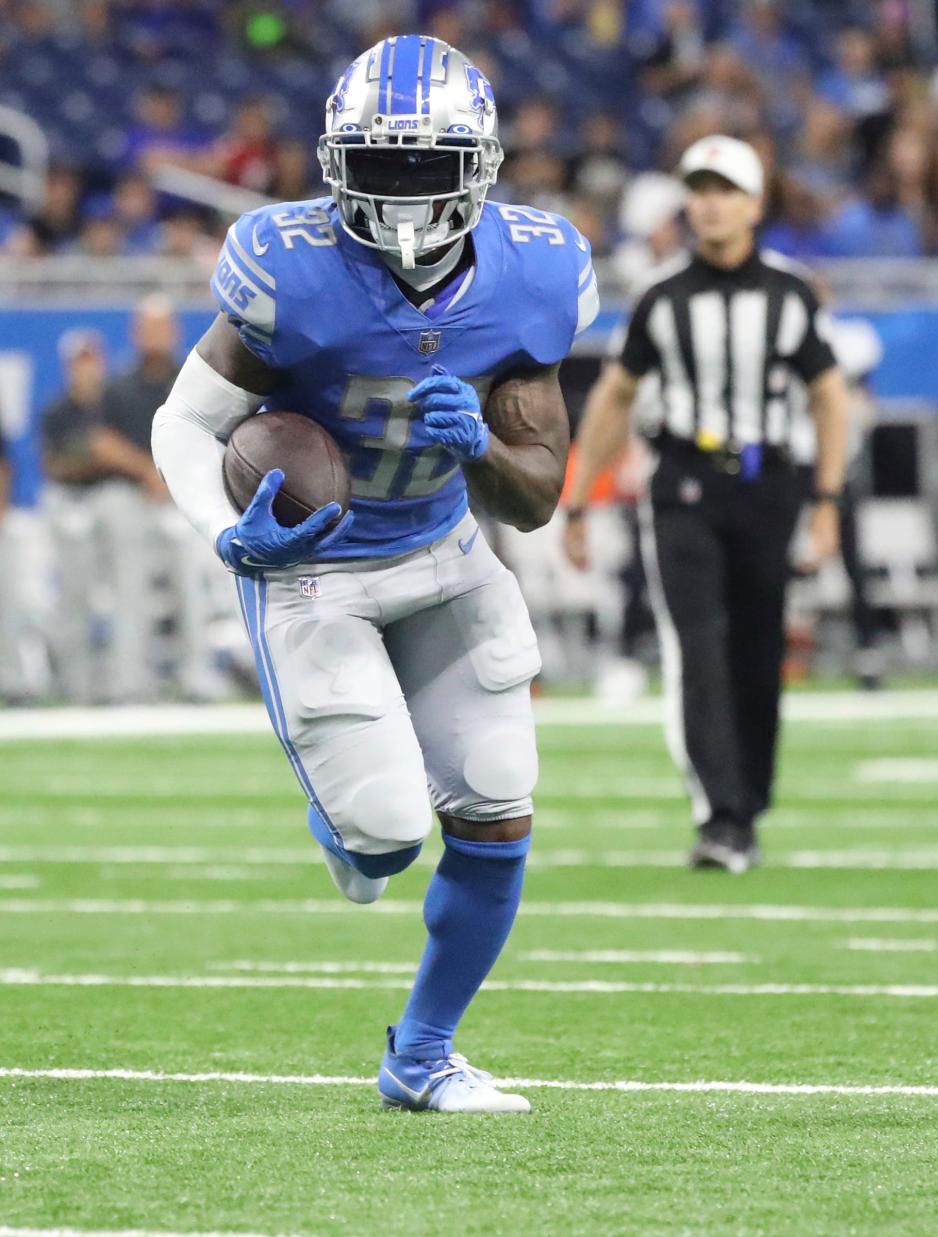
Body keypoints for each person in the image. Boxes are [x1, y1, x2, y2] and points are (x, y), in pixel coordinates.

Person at [152, 35, 598, 1112]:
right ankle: (344, 824)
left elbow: (534, 499)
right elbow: (185, 423)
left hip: (447, 552)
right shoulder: (286, 266)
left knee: (497, 810)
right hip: (317, 573)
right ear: (336, 161)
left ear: (480, 167)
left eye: (425, 167)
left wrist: (481, 449)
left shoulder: (536, 270)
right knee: (387, 837)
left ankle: (423, 1056)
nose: (401, 195)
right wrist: (230, 533)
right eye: (381, 164)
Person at [563, 135, 848, 873]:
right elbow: (615, 396)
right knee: (698, 643)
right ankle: (719, 813)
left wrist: (824, 500)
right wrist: (578, 501)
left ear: (754, 204)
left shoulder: (790, 294)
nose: (710, 203)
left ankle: (748, 800)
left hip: (768, 484)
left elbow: (828, 397)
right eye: (700, 188)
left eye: (725, 189)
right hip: (683, 484)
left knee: (759, 646)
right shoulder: (662, 295)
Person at [104, 297, 225, 701]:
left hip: (183, 497)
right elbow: (102, 441)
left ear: (173, 332)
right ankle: (130, 681)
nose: (154, 336)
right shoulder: (118, 384)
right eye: (148, 327)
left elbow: (212, 431)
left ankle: (196, 675)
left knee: (191, 589)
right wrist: (146, 471)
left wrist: (171, 476)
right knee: (130, 587)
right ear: (137, 333)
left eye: (161, 327)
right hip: (135, 496)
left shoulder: (191, 376)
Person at [42, 329, 166, 703]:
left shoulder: (115, 399)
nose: (86, 369)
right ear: (68, 367)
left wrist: (110, 457)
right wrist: (97, 457)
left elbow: (119, 449)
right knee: (75, 594)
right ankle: (76, 686)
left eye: (90, 359)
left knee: (131, 587)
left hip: (117, 498)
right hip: (73, 502)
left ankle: (128, 683)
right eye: (79, 362)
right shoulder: (58, 409)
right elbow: (55, 465)